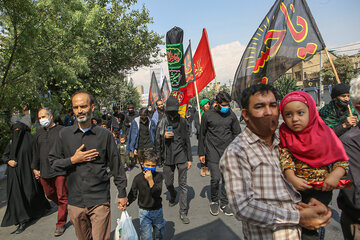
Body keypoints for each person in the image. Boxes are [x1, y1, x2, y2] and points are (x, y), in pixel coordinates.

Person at [219, 84, 332, 240]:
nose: (269, 112)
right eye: (260, 106)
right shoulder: (237, 152)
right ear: (245, 114)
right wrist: (297, 216)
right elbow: (243, 207)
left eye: (273, 105)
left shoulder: (288, 142)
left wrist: (314, 202)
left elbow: (307, 177)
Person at [49, 91, 128, 240]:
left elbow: (116, 165)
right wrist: (73, 160)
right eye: (76, 107)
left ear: (92, 108)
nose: (79, 111)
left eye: (83, 106)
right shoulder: (64, 135)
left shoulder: (104, 135)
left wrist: (122, 193)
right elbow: (53, 163)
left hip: (99, 200)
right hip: (75, 202)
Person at [279, 91, 349, 239]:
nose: (295, 119)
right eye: (288, 115)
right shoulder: (285, 134)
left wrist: (334, 175)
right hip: (296, 190)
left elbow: (342, 161)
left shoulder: (326, 133)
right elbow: (285, 159)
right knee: (302, 225)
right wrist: (292, 178)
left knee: (312, 226)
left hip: (321, 189)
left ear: (311, 112)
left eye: (300, 113)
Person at [1, 122, 51, 234]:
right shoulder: (11, 142)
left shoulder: (30, 141)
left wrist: (36, 169)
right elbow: (5, 155)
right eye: (15, 130)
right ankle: (22, 220)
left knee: (31, 194)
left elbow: (36, 156)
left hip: (28, 173)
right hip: (14, 175)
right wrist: (9, 161)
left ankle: (38, 210)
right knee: (17, 197)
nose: (17, 132)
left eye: (19, 130)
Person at [198, 91, 241, 216]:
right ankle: (214, 201)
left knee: (226, 179)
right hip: (212, 151)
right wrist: (201, 153)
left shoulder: (231, 115)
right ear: (216, 103)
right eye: (224, 105)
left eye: (228, 105)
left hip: (228, 152)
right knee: (215, 178)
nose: (226, 107)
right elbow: (202, 135)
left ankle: (224, 202)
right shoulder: (208, 116)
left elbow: (237, 133)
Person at [155, 96, 192, 224]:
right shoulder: (162, 122)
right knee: (169, 183)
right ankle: (173, 194)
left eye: (174, 110)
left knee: (183, 185)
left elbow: (187, 140)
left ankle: (183, 211)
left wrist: (189, 159)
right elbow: (157, 140)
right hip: (167, 156)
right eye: (170, 110)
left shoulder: (182, 121)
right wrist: (163, 136)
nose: (172, 113)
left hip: (181, 155)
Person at [32, 108, 69, 237]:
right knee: (49, 194)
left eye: (44, 116)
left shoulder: (62, 131)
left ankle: (60, 224)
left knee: (62, 196)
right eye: (40, 117)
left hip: (59, 170)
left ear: (51, 116)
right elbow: (35, 152)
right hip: (44, 170)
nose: (42, 119)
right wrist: (35, 168)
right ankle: (64, 207)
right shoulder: (38, 133)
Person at [338, 76, 360, 240]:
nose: (344, 99)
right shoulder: (350, 142)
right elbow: (355, 194)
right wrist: (344, 126)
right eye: (342, 96)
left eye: (347, 96)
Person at [127, 149, 166, 240]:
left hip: (157, 210)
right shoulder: (138, 178)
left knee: (158, 234)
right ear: (142, 164)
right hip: (144, 211)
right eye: (147, 165)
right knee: (146, 236)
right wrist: (127, 202)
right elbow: (133, 193)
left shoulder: (158, 177)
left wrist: (150, 180)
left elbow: (157, 193)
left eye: (153, 166)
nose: (150, 168)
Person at [194, 98, 211, 176]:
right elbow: (196, 124)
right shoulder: (198, 114)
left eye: (208, 104)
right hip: (201, 135)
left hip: (209, 136)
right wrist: (201, 129)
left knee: (208, 151)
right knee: (202, 151)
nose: (207, 105)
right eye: (205, 104)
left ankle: (207, 167)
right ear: (202, 105)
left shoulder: (211, 113)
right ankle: (202, 167)